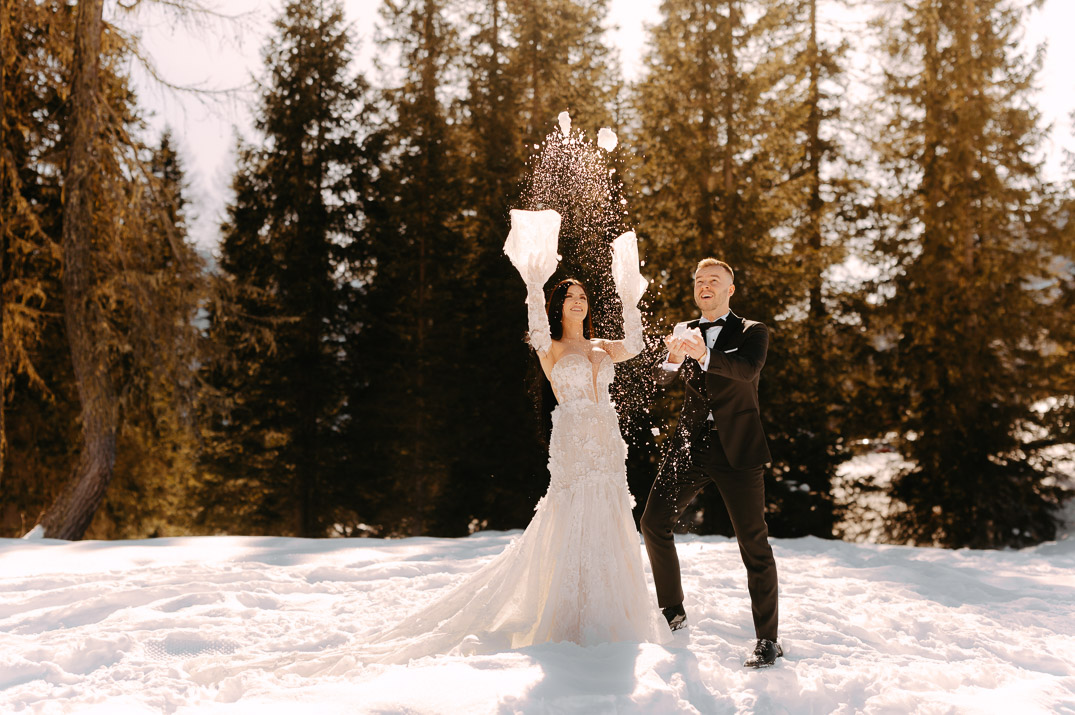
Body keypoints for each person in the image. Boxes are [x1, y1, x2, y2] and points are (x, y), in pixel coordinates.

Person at [364, 265, 666, 663]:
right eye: (570, 297)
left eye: (583, 297)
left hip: (607, 443)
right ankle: (569, 616)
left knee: (608, 513)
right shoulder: (550, 347)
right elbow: (537, 328)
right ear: (558, 307)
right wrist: (535, 284)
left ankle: (611, 614)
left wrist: (629, 299)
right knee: (573, 512)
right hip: (575, 442)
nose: (578, 302)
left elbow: (636, 344)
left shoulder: (602, 346)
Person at [641, 258, 782, 668]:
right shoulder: (683, 329)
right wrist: (671, 358)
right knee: (652, 523)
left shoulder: (753, 331)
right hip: (690, 446)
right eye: (699, 280)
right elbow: (661, 380)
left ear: (729, 289)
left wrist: (705, 354)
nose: (705, 285)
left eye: (713, 280)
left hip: (738, 448)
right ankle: (672, 611)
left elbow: (747, 371)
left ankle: (768, 640)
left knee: (754, 545)